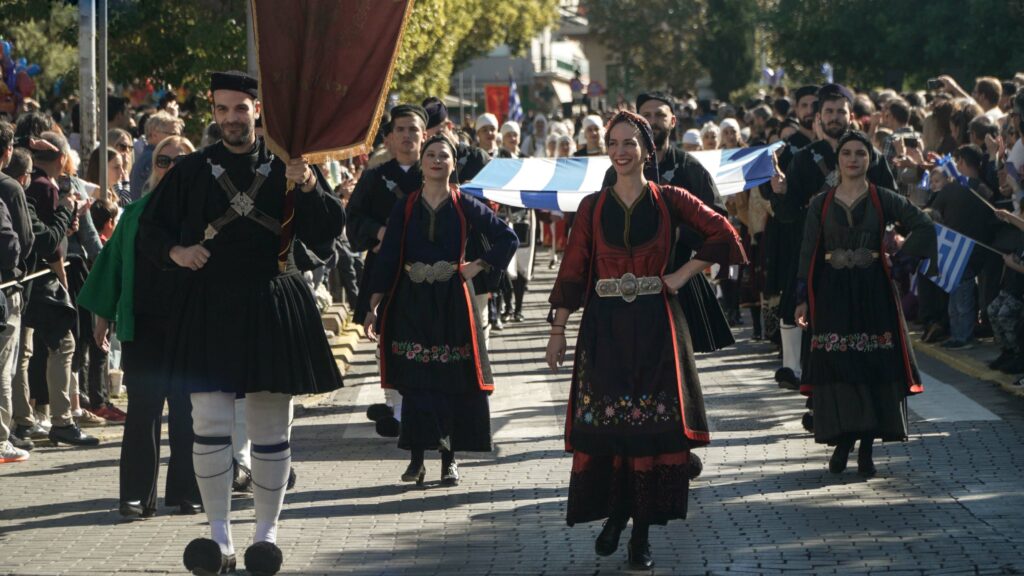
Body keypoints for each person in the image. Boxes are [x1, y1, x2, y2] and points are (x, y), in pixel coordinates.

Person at [139, 71, 344, 576]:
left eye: (241, 108)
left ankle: (265, 537)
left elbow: (328, 229)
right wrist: (177, 251)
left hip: (273, 298)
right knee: (207, 422)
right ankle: (218, 538)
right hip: (208, 303)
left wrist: (312, 185)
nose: (231, 118)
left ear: (257, 109)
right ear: (213, 111)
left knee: (270, 423)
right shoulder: (189, 170)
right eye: (223, 109)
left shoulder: (291, 166)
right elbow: (149, 228)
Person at [546, 111, 744, 570]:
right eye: (613, 143)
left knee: (651, 434)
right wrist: (557, 331)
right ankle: (616, 514)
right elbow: (572, 273)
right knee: (614, 429)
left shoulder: (670, 199)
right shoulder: (592, 208)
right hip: (605, 329)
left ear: (646, 149)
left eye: (630, 143)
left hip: (657, 326)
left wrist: (681, 273)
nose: (620, 150)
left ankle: (639, 537)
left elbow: (725, 233)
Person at [363, 132, 517, 486]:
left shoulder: (464, 203)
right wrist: (375, 302)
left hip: (452, 302)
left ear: (453, 164)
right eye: (430, 155)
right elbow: (388, 256)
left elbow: (507, 237)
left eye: (443, 156)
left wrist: (476, 266)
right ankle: (416, 460)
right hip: (410, 301)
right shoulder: (406, 205)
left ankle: (449, 461)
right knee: (416, 382)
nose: (436, 160)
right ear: (421, 163)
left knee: (449, 382)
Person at [794, 130, 936, 477]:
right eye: (847, 153)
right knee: (839, 367)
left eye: (861, 153)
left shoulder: (882, 198)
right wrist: (801, 299)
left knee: (872, 367)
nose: (853, 159)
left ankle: (866, 450)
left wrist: (899, 260)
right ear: (838, 159)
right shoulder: (820, 203)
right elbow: (808, 250)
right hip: (832, 294)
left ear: (870, 160)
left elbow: (924, 225)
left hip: (874, 291)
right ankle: (843, 442)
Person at [78, 134, 202, 520]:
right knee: (142, 414)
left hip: (192, 329)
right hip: (144, 328)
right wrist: (101, 315)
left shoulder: (207, 215)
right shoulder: (134, 214)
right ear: (153, 167)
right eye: (164, 161)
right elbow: (111, 266)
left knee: (188, 415)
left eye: (181, 163)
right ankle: (135, 497)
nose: (171, 168)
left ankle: (188, 493)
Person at [771, 84, 896, 394]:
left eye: (841, 111)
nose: (835, 117)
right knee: (822, 333)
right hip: (820, 259)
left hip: (864, 260)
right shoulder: (802, 159)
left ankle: (863, 405)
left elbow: (891, 203)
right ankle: (821, 402)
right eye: (829, 111)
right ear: (818, 116)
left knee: (861, 334)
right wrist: (782, 194)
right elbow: (787, 215)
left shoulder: (872, 156)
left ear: (851, 115)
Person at [347, 104, 427, 438]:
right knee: (390, 341)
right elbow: (353, 220)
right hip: (386, 275)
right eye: (401, 130)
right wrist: (379, 232)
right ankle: (395, 408)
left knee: (428, 341)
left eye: (414, 130)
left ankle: (425, 406)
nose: (407, 136)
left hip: (429, 274)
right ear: (390, 138)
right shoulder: (375, 178)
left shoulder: (437, 172)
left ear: (425, 136)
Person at [129, 111, 183, 201]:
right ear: (154, 135)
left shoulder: (147, 157)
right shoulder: (153, 160)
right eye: (173, 134)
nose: (178, 139)